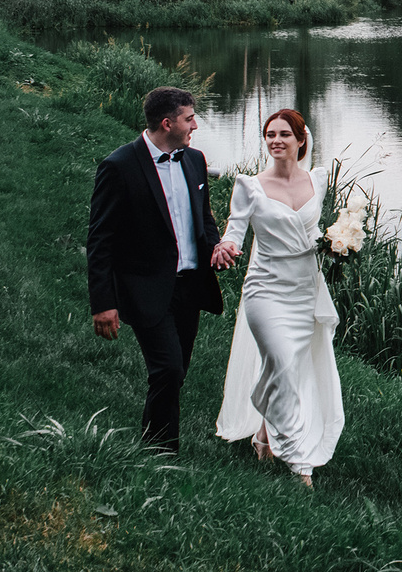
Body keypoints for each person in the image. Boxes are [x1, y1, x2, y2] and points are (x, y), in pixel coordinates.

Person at [88, 85, 225, 455]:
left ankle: (157, 441)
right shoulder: (119, 166)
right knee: (167, 369)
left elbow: (203, 220)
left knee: (176, 371)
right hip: (147, 287)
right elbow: (100, 240)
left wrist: (216, 247)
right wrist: (103, 303)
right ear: (167, 123)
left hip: (190, 286)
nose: (195, 125)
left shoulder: (194, 160)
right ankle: (159, 452)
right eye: (189, 118)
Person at [211, 107, 344, 485]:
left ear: (301, 140)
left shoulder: (317, 181)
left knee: (289, 369)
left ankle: (266, 433)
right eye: (270, 134)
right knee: (283, 364)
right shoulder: (249, 187)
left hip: (304, 290)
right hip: (265, 290)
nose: (276, 141)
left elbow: (315, 233)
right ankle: (300, 463)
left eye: (284, 134)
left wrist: (337, 244)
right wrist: (226, 248)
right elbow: (234, 232)